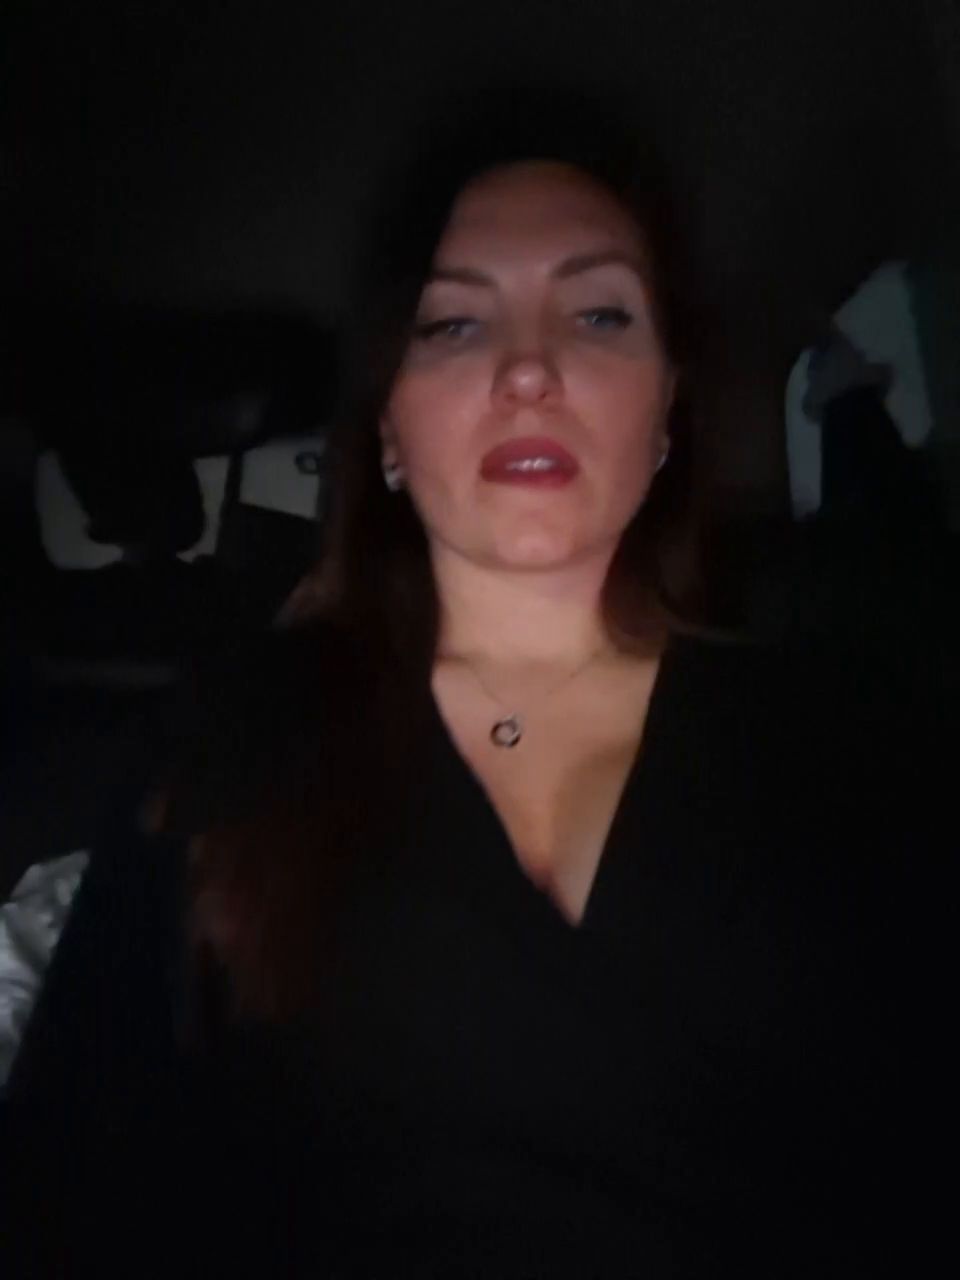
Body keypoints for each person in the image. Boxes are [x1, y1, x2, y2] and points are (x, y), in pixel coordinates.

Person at [3, 84, 945, 1277]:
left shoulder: (850, 737)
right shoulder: (232, 731)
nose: (530, 369)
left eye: (599, 315)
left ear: (668, 411)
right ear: (389, 431)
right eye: (454, 325)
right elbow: (65, 1189)